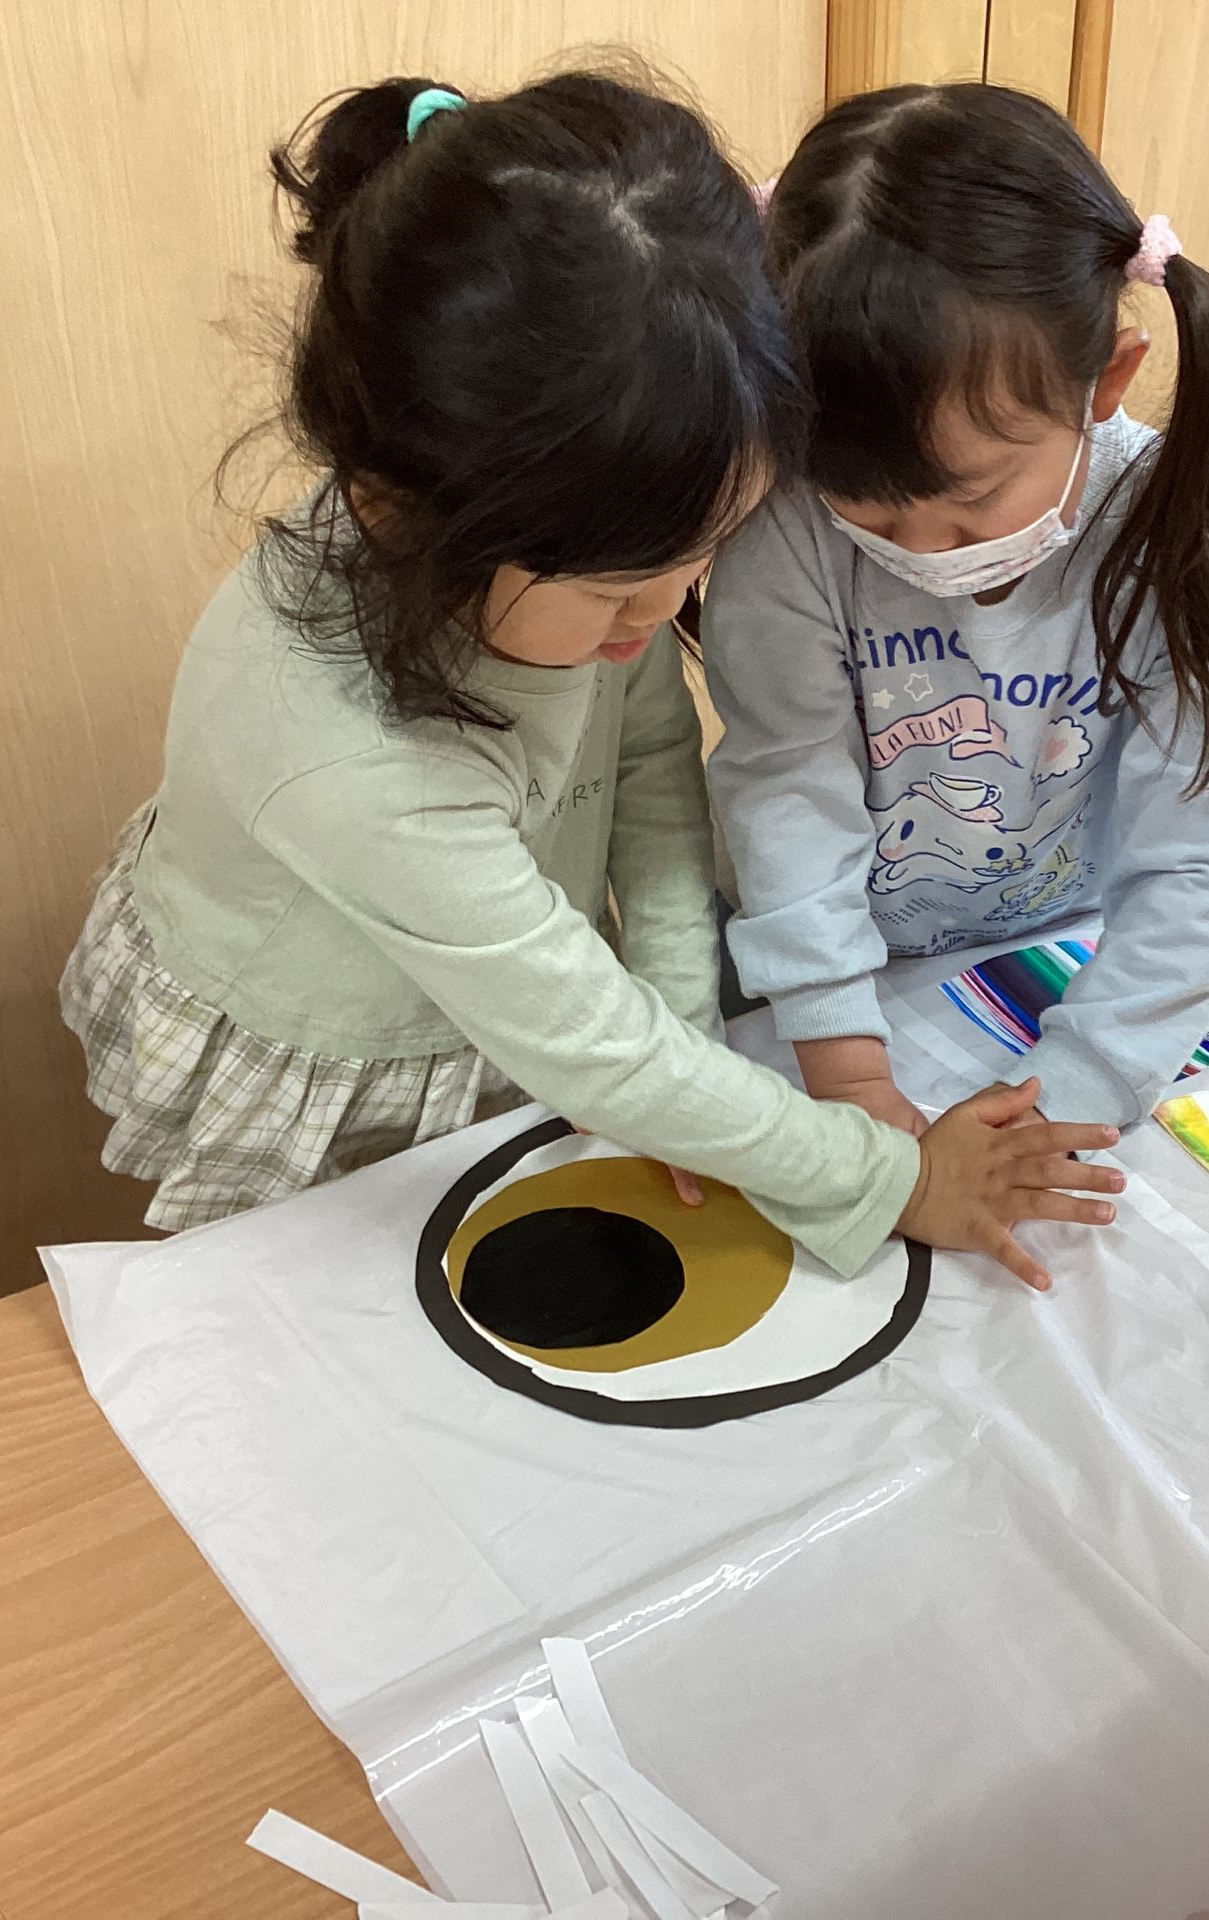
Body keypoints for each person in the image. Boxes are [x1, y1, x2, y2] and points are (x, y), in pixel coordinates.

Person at [61, 72, 1123, 1292]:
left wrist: (680, 1022)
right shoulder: (341, 750)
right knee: (343, 1326)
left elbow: (649, 764)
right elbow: (588, 1042)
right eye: (622, 590)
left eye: (699, 559)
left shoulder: (586, 527)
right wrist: (889, 1179)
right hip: (333, 1050)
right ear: (408, 512)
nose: (662, 616)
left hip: (535, 1015)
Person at [707, 83, 1209, 1160]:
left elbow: (1198, 857)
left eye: (973, 500)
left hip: (1063, 956)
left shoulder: (1176, 527)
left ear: (1107, 381)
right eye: (871, 510)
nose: (923, 551)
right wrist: (852, 1079)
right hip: (822, 990)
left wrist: (1071, 1096)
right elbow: (788, 801)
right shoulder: (789, 540)